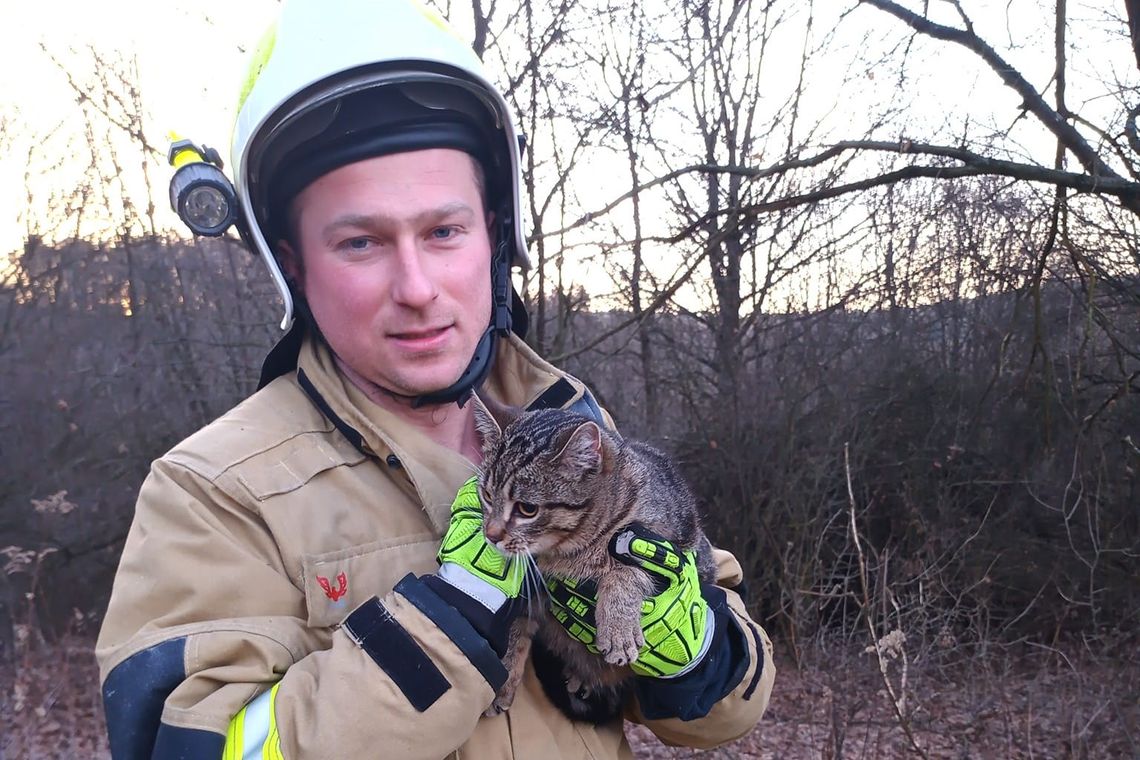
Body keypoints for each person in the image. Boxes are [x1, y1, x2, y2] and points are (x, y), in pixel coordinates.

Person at [95, 0, 776, 757]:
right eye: (361, 241)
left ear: (494, 232)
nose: (417, 287)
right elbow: (181, 742)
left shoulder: (568, 420)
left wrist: (692, 651)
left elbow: (729, 711)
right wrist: (450, 619)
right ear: (293, 263)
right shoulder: (211, 491)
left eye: (444, 231)